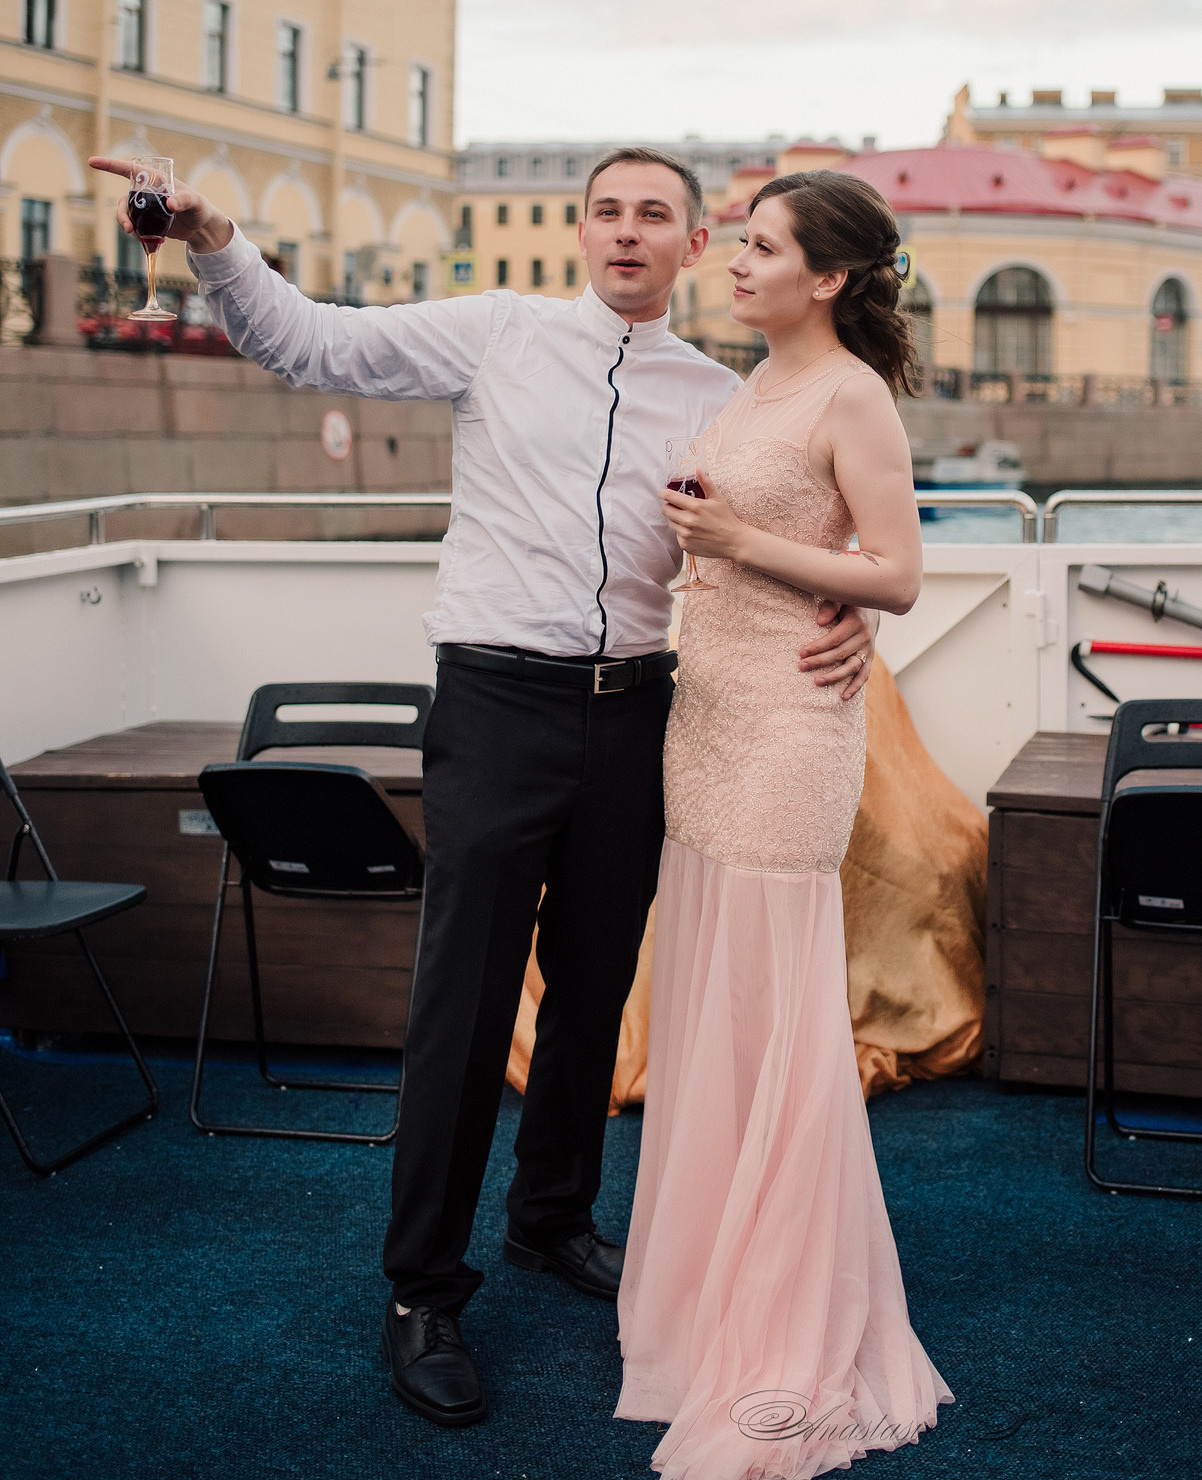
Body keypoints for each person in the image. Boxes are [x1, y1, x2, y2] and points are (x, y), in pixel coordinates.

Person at [89, 147, 879, 1431]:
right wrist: (215, 236)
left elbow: (812, 533)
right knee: (461, 1002)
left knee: (593, 988)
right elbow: (309, 346)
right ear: (579, 231)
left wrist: (864, 620)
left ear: (692, 247)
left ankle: (551, 1221)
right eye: (606, 211)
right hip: (498, 706)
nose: (626, 233)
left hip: (642, 711)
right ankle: (420, 1292)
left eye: (655, 217)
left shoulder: (717, 396)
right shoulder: (493, 332)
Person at [615, 168, 952, 1479]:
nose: (734, 261)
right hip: (704, 720)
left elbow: (900, 575)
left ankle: (783, 1324)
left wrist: (745, 542)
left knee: (773, 1014)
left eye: (760, 247)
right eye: (741, 243)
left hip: (788, 739)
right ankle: (703, 1307)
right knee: (712, 1008)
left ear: (826, 279)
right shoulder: (743, 385)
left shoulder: (847, 394)